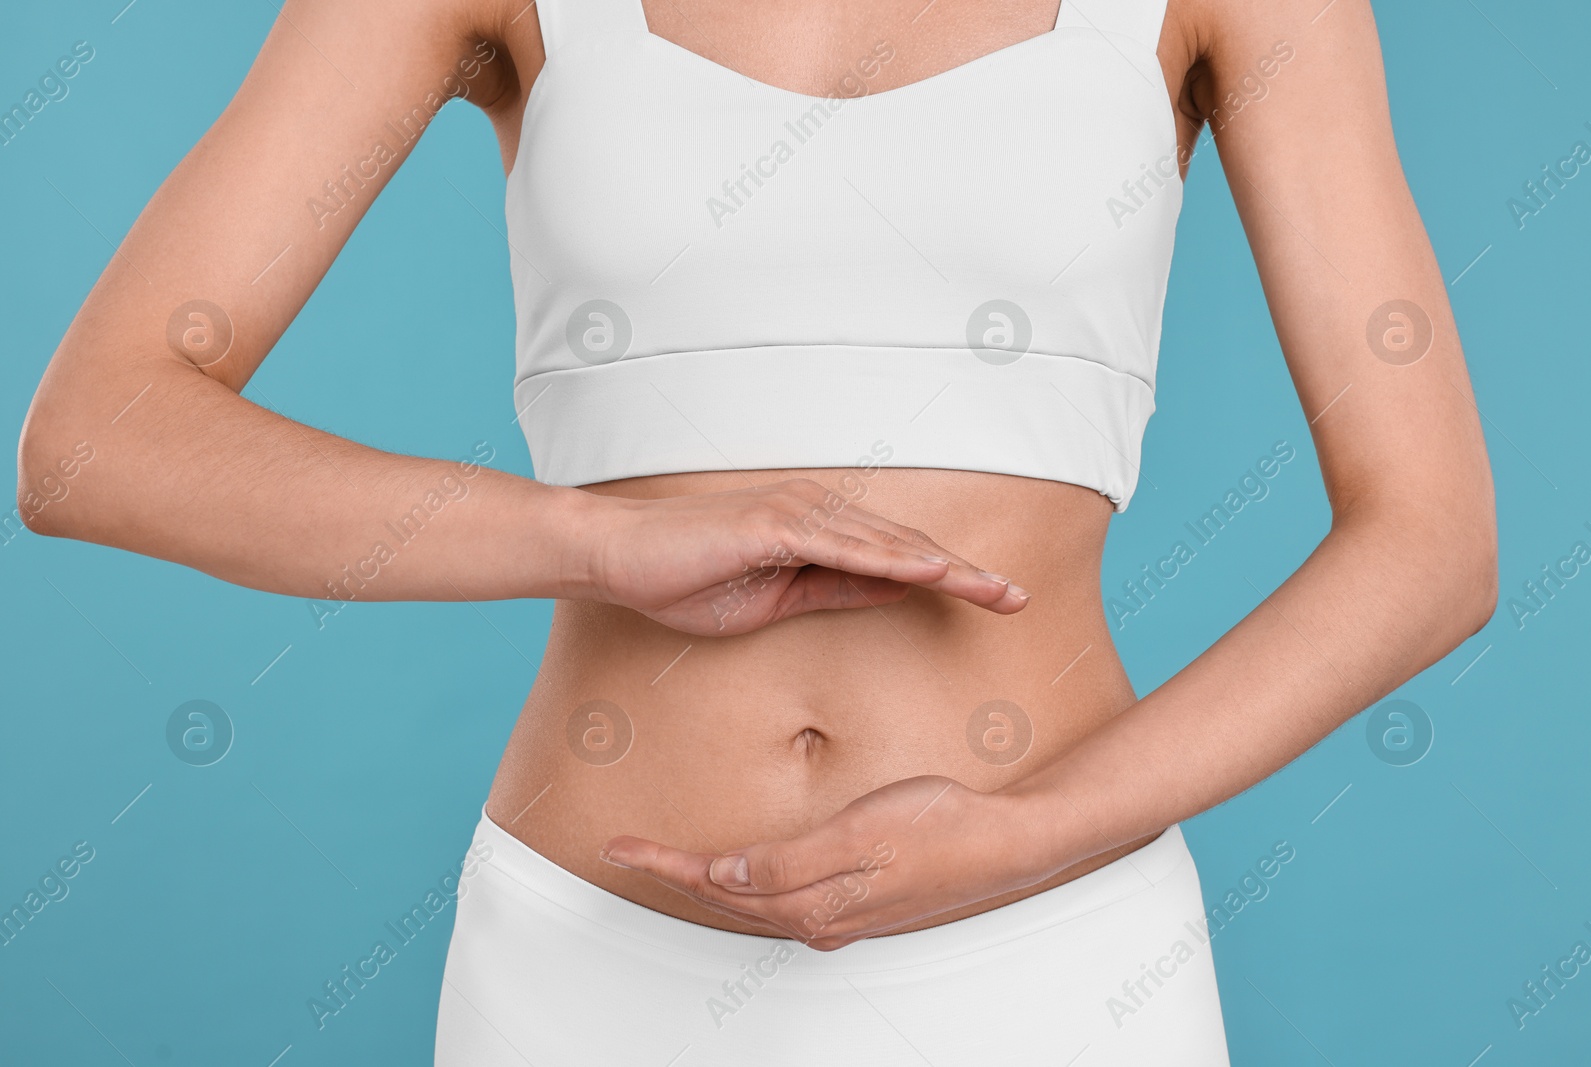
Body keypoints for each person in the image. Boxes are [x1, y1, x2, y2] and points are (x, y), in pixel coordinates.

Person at [17, 0, 1497, 1062]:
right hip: (587, 967)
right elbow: (93, 443)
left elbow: (1431, 539)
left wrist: (1029, 834)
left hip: (1051, 956)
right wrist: (591, 541)